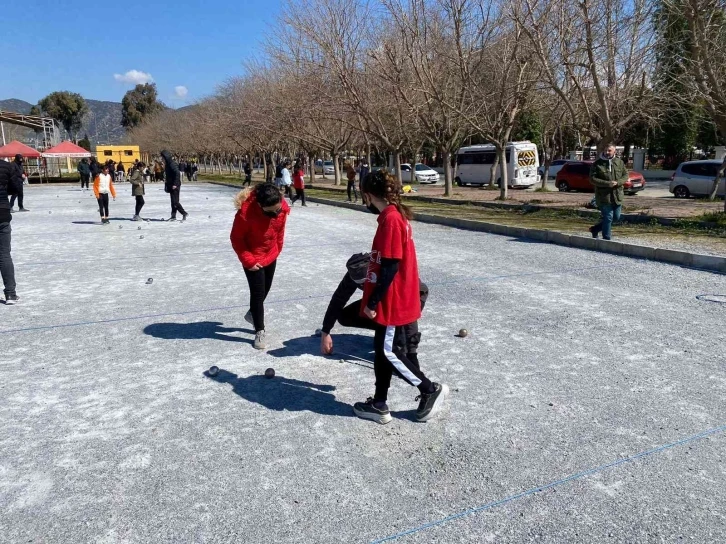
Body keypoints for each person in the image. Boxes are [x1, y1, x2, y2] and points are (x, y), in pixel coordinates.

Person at [353, 169, 448, 424]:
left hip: (392, 300)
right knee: (382, 350)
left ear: (368, 195)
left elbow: (392, 266)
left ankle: (429, 389)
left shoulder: (392, 220)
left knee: (389, 353)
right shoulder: (391, 216)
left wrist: (373, 302)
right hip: (391, 298)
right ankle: (379, 403)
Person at [320, 252, 429, 367]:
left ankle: (396, 335)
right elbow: (338, 299)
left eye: (365, 282)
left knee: (396, 351)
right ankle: (386, 332)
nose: (363, 285)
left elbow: (408, 314)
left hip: (413, 297)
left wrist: (411, 353)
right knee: (344, 316)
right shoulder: (355, 272)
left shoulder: (388, 272)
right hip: (378, 299)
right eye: (360, 283)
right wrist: (325, 331)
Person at [230, 183, 290, 350]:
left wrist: (278, 249)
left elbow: (280, 231)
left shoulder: (282, 208)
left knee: (266, 289)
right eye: (270, 211)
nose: (275, 214)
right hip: (253, 257)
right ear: (259, 205)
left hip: (271, 253)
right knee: (257, 294)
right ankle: (259, 329)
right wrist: (248, 260)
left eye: (277, 210)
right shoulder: (245, 214)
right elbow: (237, 240)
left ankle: (253, 313)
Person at [589, 143, 628, 240]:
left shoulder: (619, 162)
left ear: (614, 151)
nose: (607, 152)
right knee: (608, 217)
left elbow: (625, 175)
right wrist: (607, 183)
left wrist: (618, 182)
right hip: (604, 196)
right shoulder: (597, 164)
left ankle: (595, 229)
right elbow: (592, 179)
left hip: (617, 196)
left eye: (609, 150)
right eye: (605, 150)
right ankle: (606, 238)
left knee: (616, 217)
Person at [0, 159, 21, 304]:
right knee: (4, 254)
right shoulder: (6, 166)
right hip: (2, 211)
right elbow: (16, 188)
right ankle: (10, 294)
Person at [161, 150, 188, 221]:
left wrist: (175, 184)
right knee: (173, 202)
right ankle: (173, 216)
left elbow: (177, 173)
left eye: (163, 157)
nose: (162, 159)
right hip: (170, 184)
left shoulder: (172, 164)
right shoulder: (167, 164)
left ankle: (184, 213)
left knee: (175, 202)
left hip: (175, 185)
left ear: (166, 157)